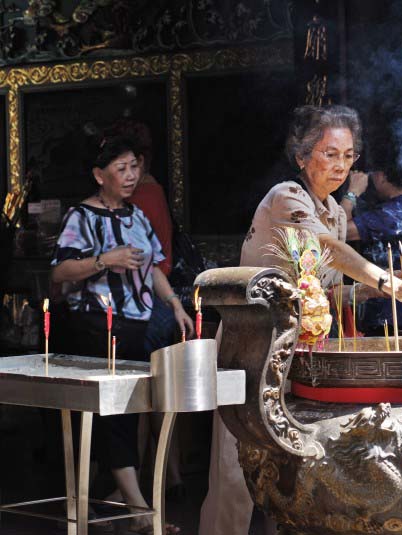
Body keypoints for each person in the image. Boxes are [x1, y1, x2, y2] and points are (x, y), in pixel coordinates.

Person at [199, 104, 402, 535]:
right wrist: (386, 282)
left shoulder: (336, 213)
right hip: (252, 345)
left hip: (299, 351)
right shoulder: (286, 196)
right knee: (235, 469)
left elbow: (322, 292)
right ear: (302, 156)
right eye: (329, 154)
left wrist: (376, 286)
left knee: (288, 467)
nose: (340, 166)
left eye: (348, 156)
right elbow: (323, 248)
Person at [51, 135, 192, 534]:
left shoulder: (136, 216)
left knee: (126, 414)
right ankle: (141, 513)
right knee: (111, 415)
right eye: (122, 169)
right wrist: (103, 260)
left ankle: (113, 507)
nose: (131, 176)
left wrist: (176, 305)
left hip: (134, 326)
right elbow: (60, 272)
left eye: (135, 167)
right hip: (95, 326)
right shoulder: (82, 216)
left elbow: (153, 270)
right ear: (100, 175)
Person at [106, 119, 186, 502]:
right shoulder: (152, 191)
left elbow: (148, 262)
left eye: (125, 165)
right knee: (154, 391)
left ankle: (132, 490)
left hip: (147, 303)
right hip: (159, 302)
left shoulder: (139, 199)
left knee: (135, 394)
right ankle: (166, 473)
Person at [342, 164, 402, 335]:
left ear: (383, 176)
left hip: (389, 318)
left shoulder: (394, 212)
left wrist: (352, 192)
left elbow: (338, 232)